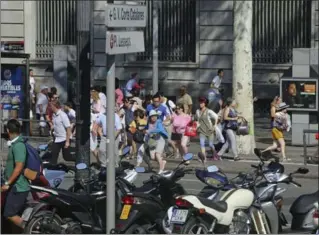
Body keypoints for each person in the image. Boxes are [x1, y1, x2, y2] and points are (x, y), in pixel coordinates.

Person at [2, 119, 30, 229]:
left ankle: (29, 229)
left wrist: (8, 183)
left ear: (8, 130)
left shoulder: (18, 146)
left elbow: (18, 167)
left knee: (9, 214)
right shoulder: (15, 143)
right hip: (14, 186)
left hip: (18, 187)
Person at [195, 97, 219, 162]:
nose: (200, 104)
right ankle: (204, 158)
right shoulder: (197, 111)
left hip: (209, 130)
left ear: (205, 103)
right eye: (200, 102)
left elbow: (216, 117)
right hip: (201, 130)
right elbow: (197, 120)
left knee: (211, 145)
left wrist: (214, 126)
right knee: (202, 144)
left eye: (202, 103)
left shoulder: (209, 111)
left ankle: (215, 154)